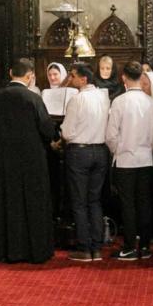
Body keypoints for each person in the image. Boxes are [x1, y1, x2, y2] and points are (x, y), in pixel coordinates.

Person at [0, 58, 57, 264]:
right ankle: (36, 251)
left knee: (8, 202)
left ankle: (8, 250)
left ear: (10, 73)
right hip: (32, 158)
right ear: (29, 76)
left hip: (5, 158)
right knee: (34, 203)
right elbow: (47, 129)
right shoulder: (32, 98)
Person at [105, 61, 153, 261]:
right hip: (146, 158)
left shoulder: (119, 102)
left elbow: (110, 135)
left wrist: (118, 150)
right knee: (144, 203)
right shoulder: (150, 102)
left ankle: (129, 246)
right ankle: (145, 246)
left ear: (124, 77)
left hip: (126, 159)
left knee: (128, 205)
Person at [60, 63, 111, 262]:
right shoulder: (103, 97)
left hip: (79, 152)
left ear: (84, 79)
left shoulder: (77, 99)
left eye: (73, 76)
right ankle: (97, 247)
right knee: (95, 200)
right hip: (100, 151)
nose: (70, 79)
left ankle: (84, 248)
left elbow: (67, 132)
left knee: (79, 203)